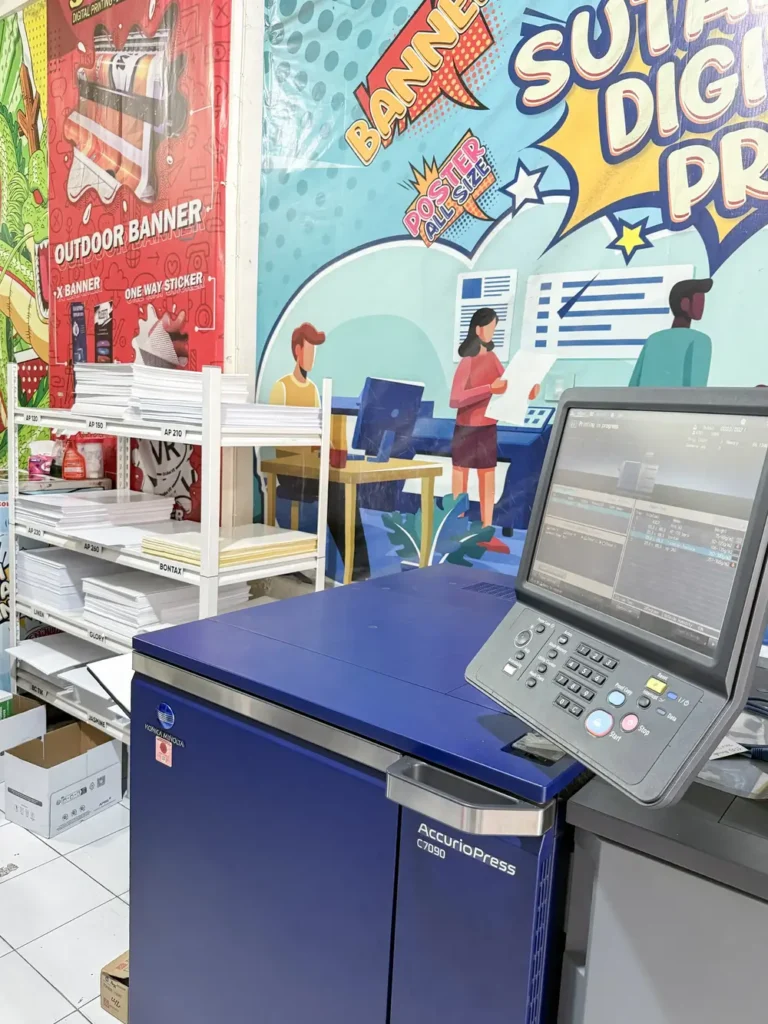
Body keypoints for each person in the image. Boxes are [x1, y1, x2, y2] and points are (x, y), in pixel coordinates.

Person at [450, 307, 510, 554]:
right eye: (491, 327)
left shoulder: (493, 359)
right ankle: (455, 529)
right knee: (460, 479)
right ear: (478, 329)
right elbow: (455, 398)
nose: (493, 331)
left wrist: (528, 389)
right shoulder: (468, 361)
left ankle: (486, 531)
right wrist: (488, 389)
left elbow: (506, 385)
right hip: (466, 428)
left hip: (487, 427)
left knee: (487, 479)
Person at [629, 278, 713, 387]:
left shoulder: (653, 339)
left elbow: (632, 386)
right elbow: (696, 389)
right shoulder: (700, 340)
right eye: (699, 300)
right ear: (685, 304)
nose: (702, 306)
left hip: (645, 399)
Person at [269, 322, 326, 406]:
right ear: (298, 350)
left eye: (313, 352)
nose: (312, 358)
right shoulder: (281, 386)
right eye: (309, 352)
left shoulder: (313, 389)